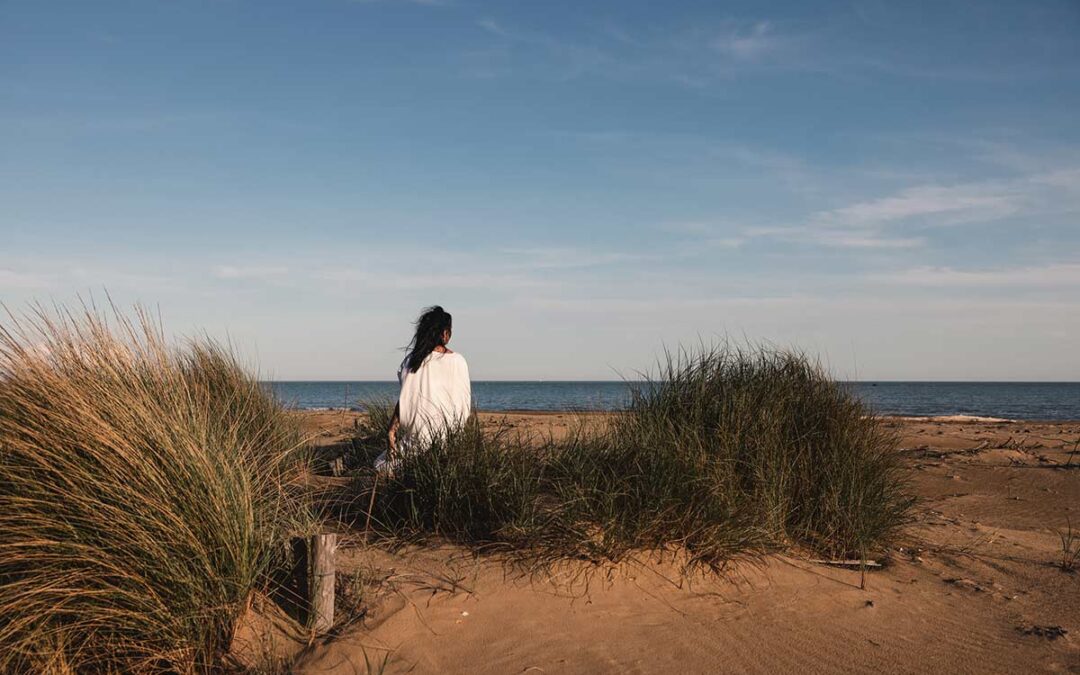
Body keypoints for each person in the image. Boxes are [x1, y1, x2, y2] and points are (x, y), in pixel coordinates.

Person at [375, 306, 471, 474]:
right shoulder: (459, 361)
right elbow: (464, 405)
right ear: (445, 334)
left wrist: (392, 429)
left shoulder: (413, 361)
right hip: (452, 441)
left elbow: (406, 398)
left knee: (380, 465)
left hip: (419, 440)